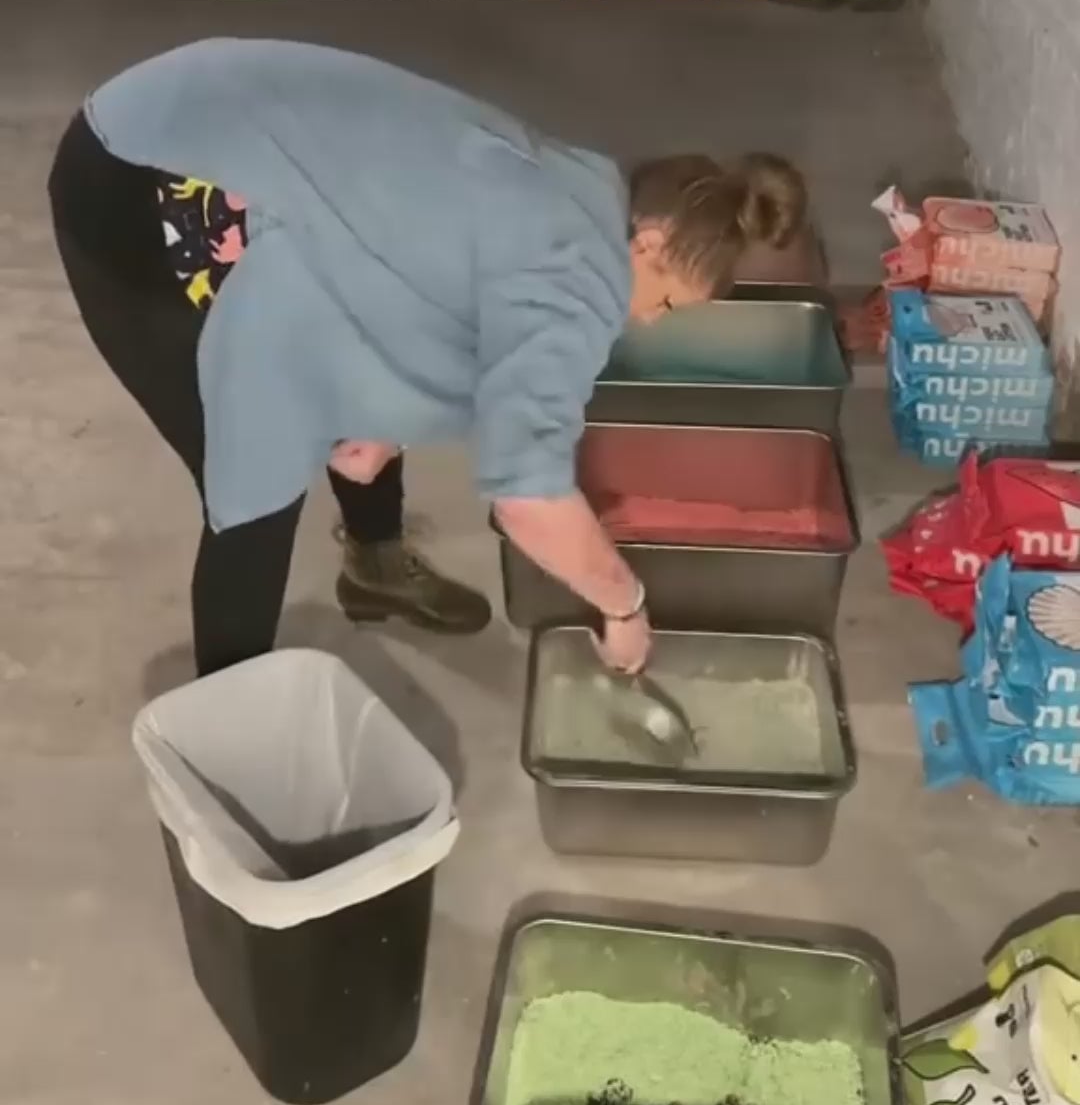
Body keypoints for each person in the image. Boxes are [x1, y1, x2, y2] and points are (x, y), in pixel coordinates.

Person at [48, 39, 813, 681]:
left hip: (228, 129)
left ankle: (374, 568)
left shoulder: (581, 192)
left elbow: (415, 281)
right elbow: (529, 495)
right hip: (142, 171)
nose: (648, 321)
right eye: (667, 301)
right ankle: (228, 727)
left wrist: (381, 425)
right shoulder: (574, 284)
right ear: (649, 242)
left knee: (350, 392)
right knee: (252, 483)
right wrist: (624, 605)